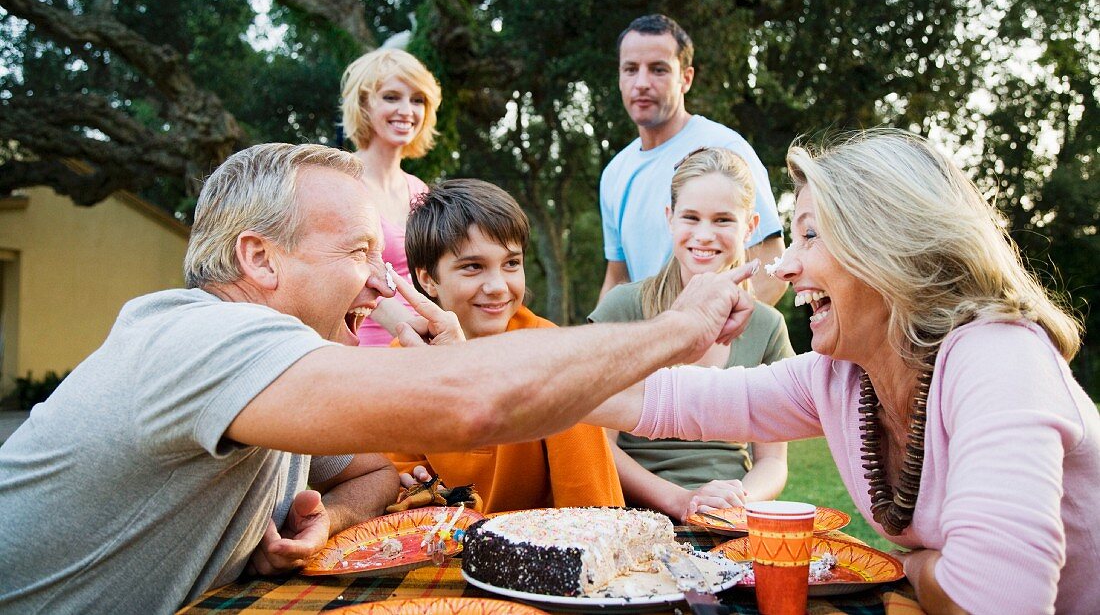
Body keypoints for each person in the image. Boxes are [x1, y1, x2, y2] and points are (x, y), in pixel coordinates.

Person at [0, 143, 757, 614]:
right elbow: (471, 402)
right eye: (362, 254)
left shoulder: (275, 367)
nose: (381, 290)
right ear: (261, 259)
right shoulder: (201, 335)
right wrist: (677, 331)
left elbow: (371, 472)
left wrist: (329, 514)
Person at [588, 130, 1100, 615]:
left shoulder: (999, 356)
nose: (785, 268)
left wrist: (915, 567)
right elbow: (664, 400)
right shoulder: (842, 375)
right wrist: (672, 332)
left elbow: (991, 602)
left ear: (891, 247)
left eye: (811, 235)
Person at [388, 179, 624, 512]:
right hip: (440, 549)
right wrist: (405, 486)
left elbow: (591, 505)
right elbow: (396, 483)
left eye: (511, 263)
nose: (498, 286)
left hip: (545, 550)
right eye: (473, 267)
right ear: (427, 279)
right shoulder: (401, 361)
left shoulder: (556, 356)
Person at [590, 148, 792, 522]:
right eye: (691, 217)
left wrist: (736, 502)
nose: (704, 235)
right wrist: (682, 501)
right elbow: (597, 443)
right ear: (670, 219)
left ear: (750, 226)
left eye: (723, 220)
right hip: (635, 512)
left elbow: (773, 460)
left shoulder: (767, 327)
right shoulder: (623, 308)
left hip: (729, 514)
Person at [600, 13, 787, 304]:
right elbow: (617, 278)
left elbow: (771, 266)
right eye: (631, 69)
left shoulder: (725, 148)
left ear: (686, 79)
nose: (642, 83)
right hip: (648, 347)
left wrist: (711, 339)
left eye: (658, 70)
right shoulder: (614, 172)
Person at [341, 48, 442, 345]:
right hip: (367, 349)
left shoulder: (421, 189)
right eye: (391, 97)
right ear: (364, 105)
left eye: (417, 100)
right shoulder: (341, 183)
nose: (407, 110)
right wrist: (407, 328)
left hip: (423, 345)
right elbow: (349, 272)